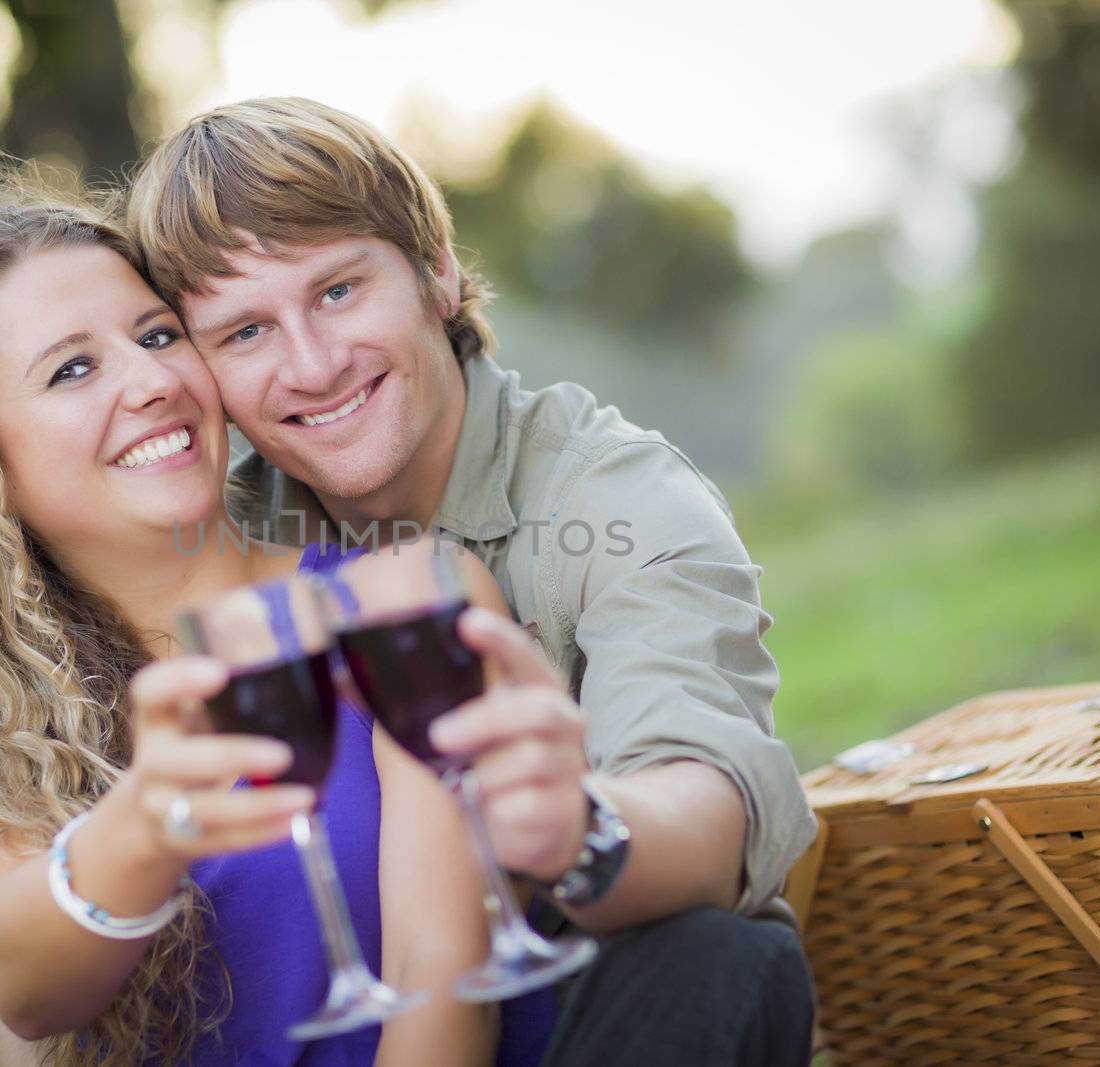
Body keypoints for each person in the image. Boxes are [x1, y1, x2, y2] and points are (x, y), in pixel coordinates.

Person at [127, 97, 820, 1065]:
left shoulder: (617, 497)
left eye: (336, 290)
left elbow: (706, 798)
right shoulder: (219, 542)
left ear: (437, 271)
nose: (313, 365)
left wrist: (576, 826)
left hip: (591, 1011)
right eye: (244, 332)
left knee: (716, 957)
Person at [0, 166, 511, 1067]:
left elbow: (445, 983)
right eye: (75, 368)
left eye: (159, 334)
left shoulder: (401, 597)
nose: (153, 380)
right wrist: (149, 820)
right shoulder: (6, 726)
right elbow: (28, 996)